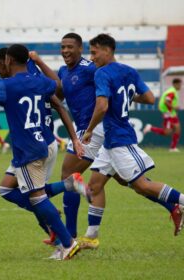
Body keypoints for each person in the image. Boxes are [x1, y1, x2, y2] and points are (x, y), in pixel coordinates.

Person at [37, 33, 183, 249]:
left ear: (80, 49)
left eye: (70, 47)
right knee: (127, 182)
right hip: (93, 130)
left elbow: (110, 88)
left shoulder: (93, 69)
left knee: (68, 175)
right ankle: (171, 206)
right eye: (62, 47)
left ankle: (69, 236)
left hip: (96, 130)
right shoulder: (65, 71)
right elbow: (58, 88)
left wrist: (91, 125)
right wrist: (39, 64)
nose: (65, 51)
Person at [0, 44, 82, 260]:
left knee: (37, 198)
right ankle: (66, 190)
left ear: (8, 60)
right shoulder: (40, 82)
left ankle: (67, 243)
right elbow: (57, 88)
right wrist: (38, 62)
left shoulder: (6, 86)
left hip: (28, 149)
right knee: (6, 189)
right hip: (39, 142)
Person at [82, 33, 184, 246]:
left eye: (94, 52)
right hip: (110, 142)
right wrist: (127, 97)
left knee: (142, 186)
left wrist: (90, 130)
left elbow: (102, 106)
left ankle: (181, 203)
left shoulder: (101, 73)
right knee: (94, 185)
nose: (91, 57)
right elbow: (148, 98)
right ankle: (91, 237)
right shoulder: (129, 71)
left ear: (107, 50)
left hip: (120, 138)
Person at [144, 78, 182, 152]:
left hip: (172, 113)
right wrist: (174, 107)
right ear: (175, 84)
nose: (180, 86)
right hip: (168, 113)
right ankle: (150, 128)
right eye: (179, 84)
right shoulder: (172, 92)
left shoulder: (173, 91)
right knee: (167, 132)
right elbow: (166, 101)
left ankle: (173, 148)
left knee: (177, 128)